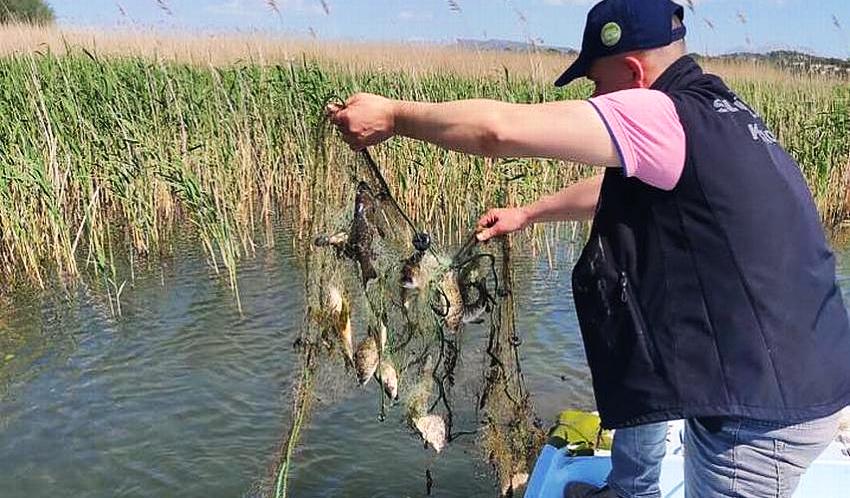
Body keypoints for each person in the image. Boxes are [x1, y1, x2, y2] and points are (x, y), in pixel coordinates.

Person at [326, 0, 850, 496]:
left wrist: (394, 116)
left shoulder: (661, 113)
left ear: (634, 73)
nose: (597, 99)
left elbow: (497, 131)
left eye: (599, 84)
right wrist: (531, 213)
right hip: (800, 370)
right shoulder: (717, 111)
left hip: (764, 408)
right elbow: (618, 186)